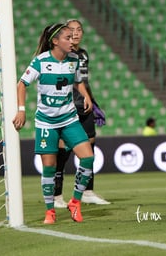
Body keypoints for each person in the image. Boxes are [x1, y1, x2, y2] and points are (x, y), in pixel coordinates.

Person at [12, 23, 95, 223]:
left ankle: (75, 202)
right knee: (49, 167)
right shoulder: (40, 61)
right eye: (67, 37)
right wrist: (21, 111)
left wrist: (86, 96)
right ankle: (50, 211)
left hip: (69, 118)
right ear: (55, 42)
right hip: (46, 122)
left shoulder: (74, 59)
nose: (72, 39)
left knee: (88, 158)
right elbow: (22, 84)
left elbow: (77, 81)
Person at [53, 19, 110, 207]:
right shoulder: (62, 54)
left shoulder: (83, 54)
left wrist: (94, 104)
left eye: (79, 30)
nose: (76, 33)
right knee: (63, 152)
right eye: (71, 30)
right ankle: (56, 196)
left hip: (84, 107)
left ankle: (87, 191)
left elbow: (83, 82)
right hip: (66, 108)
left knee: (89, 149)